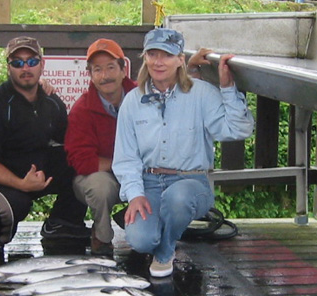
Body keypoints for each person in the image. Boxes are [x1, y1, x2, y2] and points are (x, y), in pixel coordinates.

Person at [112, 28, 254, 278]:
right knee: (140, 240)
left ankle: (165, 251)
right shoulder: (132, 101)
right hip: (150, 183)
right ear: (144, 57)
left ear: (180, 59)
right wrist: (135, 195)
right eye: (152, 54)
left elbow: (237, 129)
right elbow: (126, 158)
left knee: (177, 199)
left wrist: (228, 88)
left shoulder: (202, 93)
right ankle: (157, 235)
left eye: (166, 55)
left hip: (191, 182)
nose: (158, 62)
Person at [65, 38, 212, 256]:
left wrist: (190, 67)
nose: (105, 76)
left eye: (111, 67)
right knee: (100, 187)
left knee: (160, 186)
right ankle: (102, 237)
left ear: (124, 69)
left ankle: (150, 226)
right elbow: (81, 161)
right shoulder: (81, 110)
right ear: (90, 75)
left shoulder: (143, 94)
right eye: (98, 70)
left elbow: (178, 94)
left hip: (146, 175)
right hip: (103, 175)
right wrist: (127, 165)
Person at [0, 36, 90, 254]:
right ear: (9, 68)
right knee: (17, 206)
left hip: (35, 171)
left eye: (32, 61)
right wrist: (20, 184)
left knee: (81, 164)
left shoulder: (52, 102)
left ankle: (62, 224)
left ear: (42, 65)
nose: (26, 68)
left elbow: (68, 140)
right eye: (18, 63)